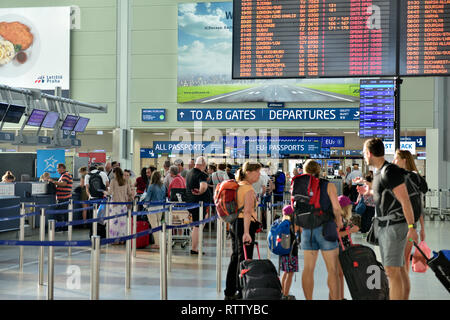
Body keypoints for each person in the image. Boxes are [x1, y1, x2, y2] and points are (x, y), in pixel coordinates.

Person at [362, 138, 418, 300]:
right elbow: (387, 196)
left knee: (392, 272)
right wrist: (369, 192)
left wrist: (411, 227)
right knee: (398, 270)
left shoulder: (389, 171)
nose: (364, 157)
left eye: (364, 153)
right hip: (387, 226)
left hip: (394, 226)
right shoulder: (380, 172)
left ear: (369, 153)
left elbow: (404, 199)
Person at [299, 160, 343, 300]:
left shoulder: (300, 185)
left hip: (307, 230)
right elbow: (336, 208)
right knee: (332, 270)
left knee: (308, 269)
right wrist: (339, 221)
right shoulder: (328, 185)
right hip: (326, 229)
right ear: (319, 170)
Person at [393, 149, 428, 300]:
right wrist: (422, 228)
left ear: (404, 160)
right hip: (411, 225)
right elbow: (418, 204)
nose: (394, 161)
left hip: (401, 225)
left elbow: (412, 204)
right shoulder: (416, 177)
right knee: (404, 260)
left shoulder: (402, 178)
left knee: (400, 261)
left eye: (396, 158)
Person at [224, 162, 262, 300]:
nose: (259, 175)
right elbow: (247, 212)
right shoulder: (248, 189)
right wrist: (246, 232)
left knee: (235, 257)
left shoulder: (238, 186)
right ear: (249, 172)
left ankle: (229, 291)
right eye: (257, 172)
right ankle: (241, 291)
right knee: (245, 258)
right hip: (245, 225)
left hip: (235, 224)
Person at [185, 156, 211, 255]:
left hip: (191, 202)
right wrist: (200, 192)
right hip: (198, 203)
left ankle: (194, 246)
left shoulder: (189, 173)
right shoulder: (201, 174)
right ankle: (194, 248)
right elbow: (203, 186)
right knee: (197, 226)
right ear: (203, 164)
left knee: (200, 223)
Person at [336, 195, 360, 300]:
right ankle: (338, 297)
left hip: (343, 247)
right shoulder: (338, 218)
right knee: (338, 274)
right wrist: (350, 231)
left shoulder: (343, 218)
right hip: (338, 248)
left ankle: (341, 297)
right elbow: (336, 235)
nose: (351, 207)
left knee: (341, 274)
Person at [104, 167, 133, 243]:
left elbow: (110, 193)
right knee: (122, 223)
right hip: (123, 205)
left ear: (115, 173)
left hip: (115, 205)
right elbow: (129, 193)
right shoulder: (125, 181)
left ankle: (115, 240)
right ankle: (122, 240)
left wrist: (104, 192)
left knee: (114, 223)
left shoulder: (113, 181)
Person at [279, 205, 300, 300]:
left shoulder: (282, 223)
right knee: (290, 273)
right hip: (292, 252)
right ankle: (286, 295)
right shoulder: (292, 224)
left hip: (283, 252)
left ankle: (282, 291)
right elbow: (300, 231)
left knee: (286, 272)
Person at [144, 171, 167, 249]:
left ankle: (157, 243)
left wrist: (144, 206)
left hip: (152, 208)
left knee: (154, 226)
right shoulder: (163, 186)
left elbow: (148, 198)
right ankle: (161, 242)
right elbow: (164, 197)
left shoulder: (151, 186)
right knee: (159, 225)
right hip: (160, 208)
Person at [49, 164, 73, 233]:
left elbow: (63, 184)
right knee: (64, 213)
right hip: (64, 197)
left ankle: (60, 228)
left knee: (58, 212)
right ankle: (65, 228)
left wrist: (53, 182)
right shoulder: (64, 175)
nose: (57, 170)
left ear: (62, 168)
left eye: (57, 168)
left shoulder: (65, 175)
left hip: (64, 198)